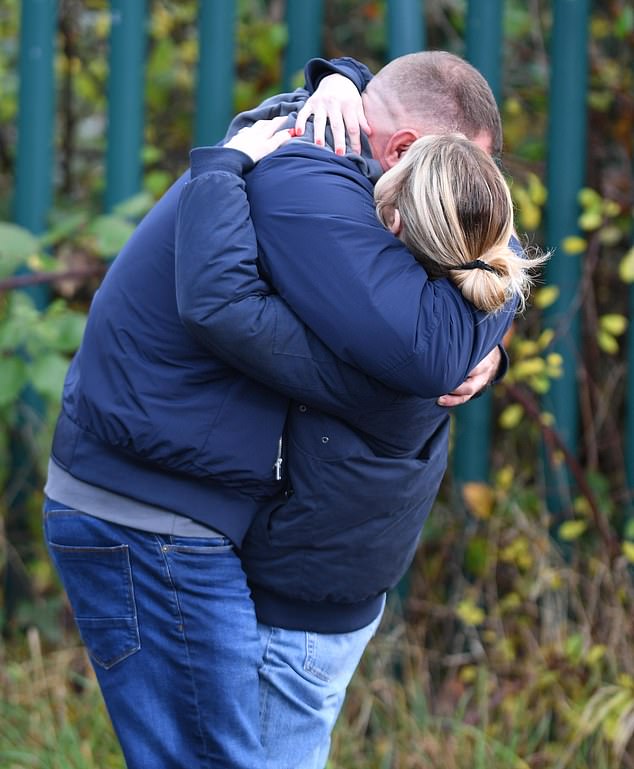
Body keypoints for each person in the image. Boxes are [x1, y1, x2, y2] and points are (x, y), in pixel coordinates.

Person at [44, 52, 513, 769]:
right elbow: (429, 346)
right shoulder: (307, 178)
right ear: (406, 150)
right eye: (459, 173)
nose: (471, 201)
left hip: (197, 510)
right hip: (151, 508)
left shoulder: (359, 171)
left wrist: (491, 342)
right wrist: (475, 329)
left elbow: (488, 251)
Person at [175, 120, 545, 769]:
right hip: (345, 596)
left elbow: (223, 304)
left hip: (294, 615)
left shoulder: (385, 358)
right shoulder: (483, 298)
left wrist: (220, 170)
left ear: (397, 224)